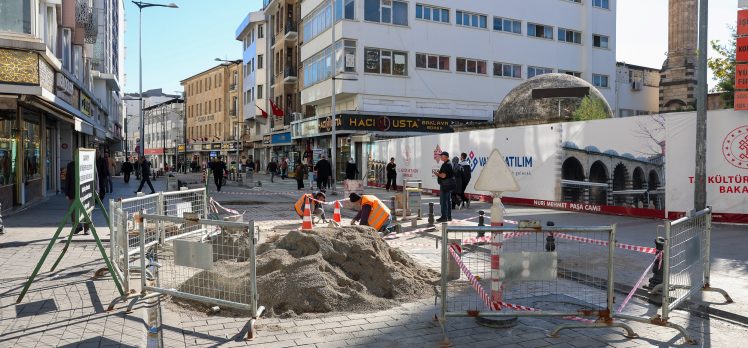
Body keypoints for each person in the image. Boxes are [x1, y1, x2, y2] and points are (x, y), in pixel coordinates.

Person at [65, 160, 88, 235]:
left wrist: (96, 190)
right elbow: (68, 179)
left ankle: (87, 228)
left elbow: (94, 176)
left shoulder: (87, 164)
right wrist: (67, 193)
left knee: (86, 210)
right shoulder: (70, 165)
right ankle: (77, 227)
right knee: (72, 210)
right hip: (73, 192)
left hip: (85, 191)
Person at [434, 151, 454, 222]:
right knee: (448, 201)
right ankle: (449, 216)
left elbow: (443, 175)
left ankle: (444, 217)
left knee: (443, 202)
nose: (440, 157)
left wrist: (437, 174)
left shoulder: (446, 164)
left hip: (445, 185)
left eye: (441, 156)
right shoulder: (449, 163)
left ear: (446, 156)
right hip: (448, 185)